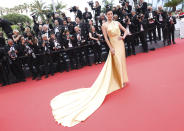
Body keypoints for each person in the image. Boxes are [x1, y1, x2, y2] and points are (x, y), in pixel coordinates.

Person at [50, 9, 128, 127]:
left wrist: (124, 36)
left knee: (121, 62)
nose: (110, 15)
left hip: (120, 44)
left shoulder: (117, 23)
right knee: (116, 62)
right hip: (113, 46)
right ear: (105, 16)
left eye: (111, 14)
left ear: (113, 15)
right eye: (108, 14)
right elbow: (106, 38)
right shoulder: (104, 25)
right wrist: (110, 47)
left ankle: (121, 79)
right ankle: (119, 81)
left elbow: (125, 30)